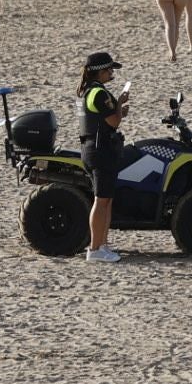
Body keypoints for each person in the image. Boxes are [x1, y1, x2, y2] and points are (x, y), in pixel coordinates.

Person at [77, 52, 129, 263]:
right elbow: (114, 122)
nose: (112, 73)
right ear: (100, 71)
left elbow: (104, 120)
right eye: (109, 70)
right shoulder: (99, 93)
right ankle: (95, 249)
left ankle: (102, 245)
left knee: (106, 200)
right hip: (101, 152)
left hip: (93, 150)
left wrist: (117, 110)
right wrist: (119, 105)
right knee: (101, 201)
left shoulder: (89, 92)